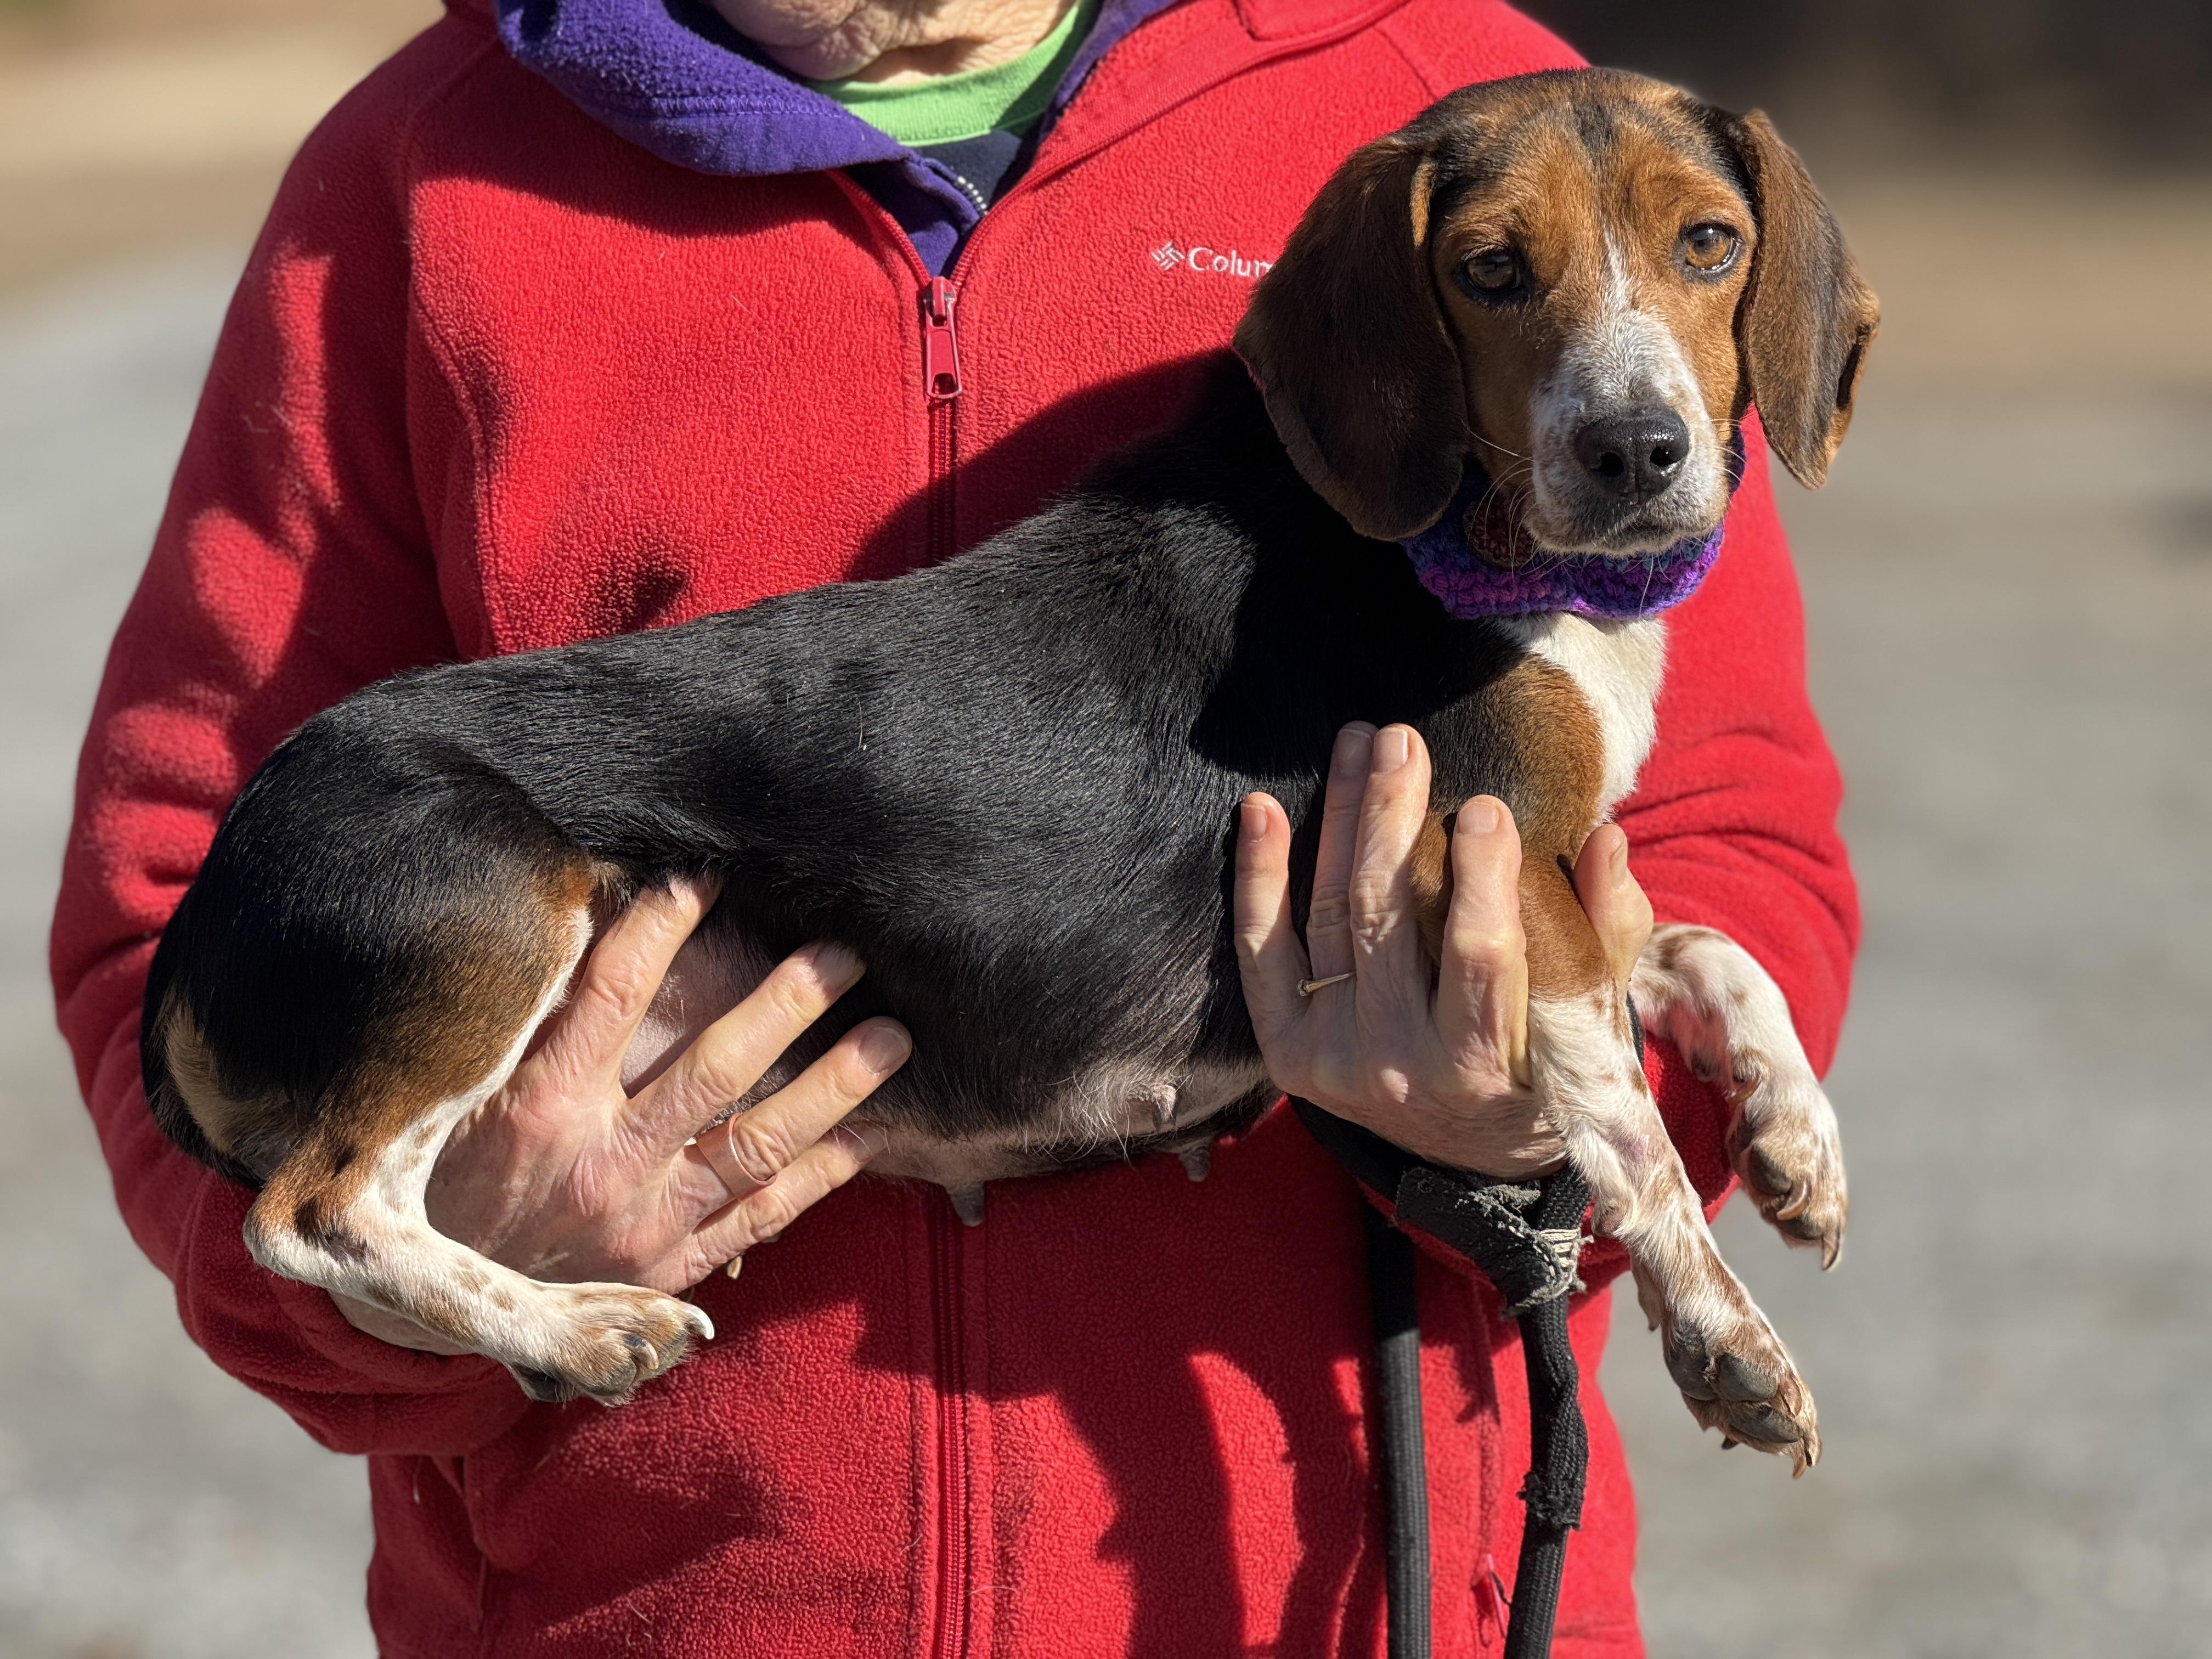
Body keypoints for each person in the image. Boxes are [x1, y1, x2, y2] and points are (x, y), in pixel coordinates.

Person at [49, 0, 1858, 1650]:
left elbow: (1730, 840)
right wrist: (452, 1249)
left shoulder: (1481, 112)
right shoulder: (418, 182)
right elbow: (174, 940)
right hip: (663, 1611)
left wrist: (1529, 1136)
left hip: (1331, 1597)